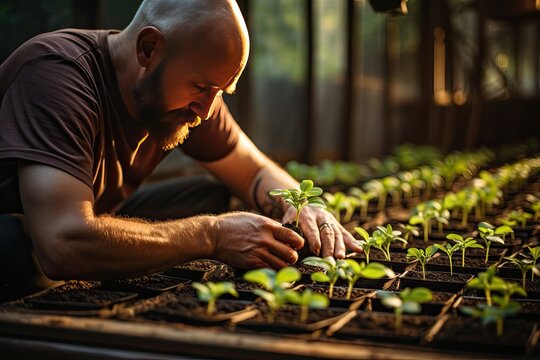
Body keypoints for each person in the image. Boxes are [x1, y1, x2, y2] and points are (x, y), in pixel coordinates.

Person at [0, 0, 362, 297]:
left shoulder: (189, 93)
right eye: (201, 87)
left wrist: (304, 205)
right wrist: (210, 235)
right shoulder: (57, 75)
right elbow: (62, 242)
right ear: (149, 49)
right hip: (35, 234)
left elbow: (253, 171)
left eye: (220, 91)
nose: (206, 112)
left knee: (218, 196)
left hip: (84, 218)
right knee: (13, 244)